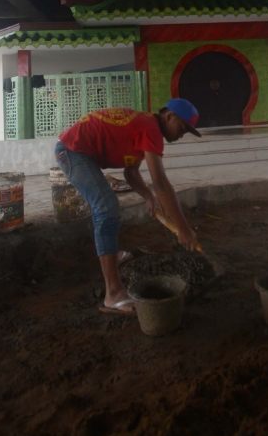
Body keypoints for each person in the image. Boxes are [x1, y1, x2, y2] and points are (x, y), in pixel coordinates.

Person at [55, 98, 201, 316]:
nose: (182, 135)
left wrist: (148, 196)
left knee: (107, 207)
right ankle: (113, 293)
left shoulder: (146, 126)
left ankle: (112, 254)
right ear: (170, 116)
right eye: (182, 128)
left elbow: (131, 172)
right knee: (106, 207)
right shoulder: (150, 129)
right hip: (72, 151)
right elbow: (161, 183)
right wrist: (183, 228)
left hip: (79, 150)